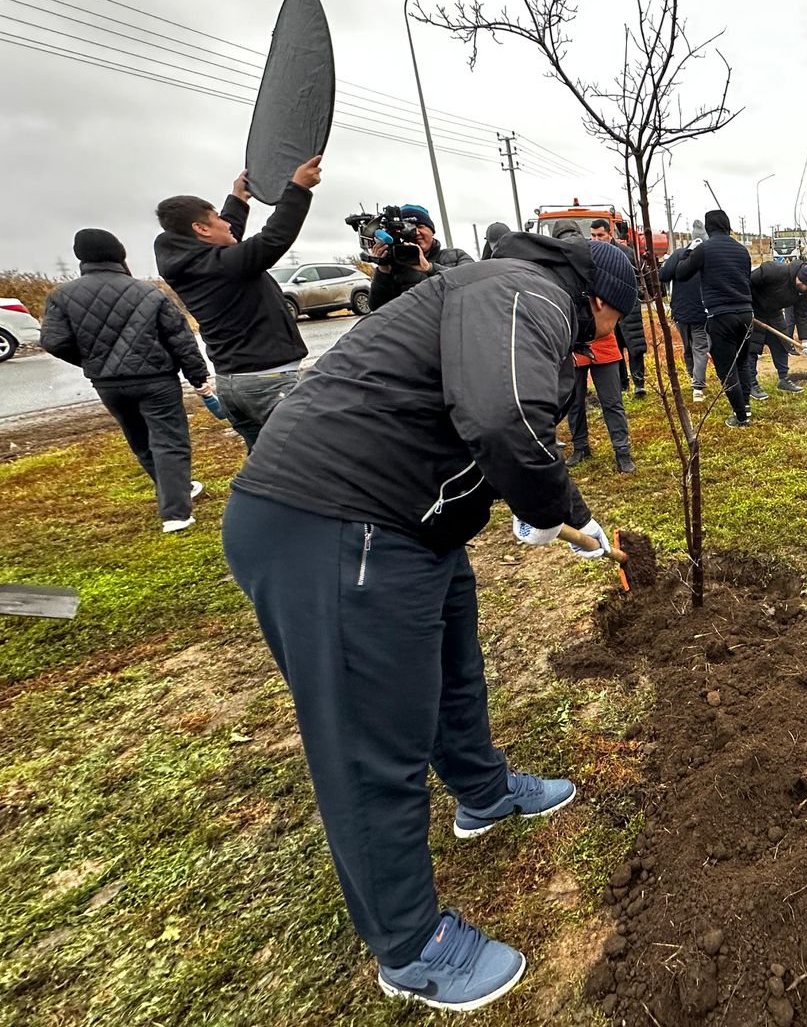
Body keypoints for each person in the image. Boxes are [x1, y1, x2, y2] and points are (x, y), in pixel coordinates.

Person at [222, 234, 638, 1012]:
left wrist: (562, 514)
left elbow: (503, 429)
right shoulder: (526, 290)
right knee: (371, 745)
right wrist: (548, 508)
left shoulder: (514, 295)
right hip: (334, 521)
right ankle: (411, 948)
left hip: (408, 525)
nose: (606, 339)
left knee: (453, 668)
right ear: (599, 294)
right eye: (613, 320)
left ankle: (483, 792)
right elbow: (502, 416)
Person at [40, 229, 212, 532]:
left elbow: (54, 341)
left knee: (140, 441)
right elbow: (180, 339)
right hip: (157, 379)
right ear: (120, 254)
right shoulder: (148, 292)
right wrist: (198, 377)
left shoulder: (61, 296)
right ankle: (176, 513)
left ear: (81, 256)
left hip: (108, 384)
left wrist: (91, 361)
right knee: (169, 442)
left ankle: (174, 492)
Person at [154, 155, 322, 451]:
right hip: (267, 385)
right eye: (217, 217)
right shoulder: (222, 265)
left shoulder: (193, 263)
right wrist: (298, 189)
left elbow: (227, 235)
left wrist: (238, 199)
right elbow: (273, 239)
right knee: (307, 460)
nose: (225, 222)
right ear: (201, 229)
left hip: (233, 385)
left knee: (266, 467)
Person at [671, 208, 754, 427]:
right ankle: (745, 406)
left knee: (726, 368)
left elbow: (681, 273)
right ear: (727, 226)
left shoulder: (704, 249)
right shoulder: (742, 250)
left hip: (721, 315)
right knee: (743, 362)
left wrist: (689, 252)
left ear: (708, 228)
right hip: (746, 313)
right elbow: (746, 278)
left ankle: (740, 417)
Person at [567, 253, 636, 474]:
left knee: (612, 401)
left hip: (604, 343)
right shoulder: (562, 276)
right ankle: (580, 447)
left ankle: (622, 451)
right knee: (574, 402)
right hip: (574, 345)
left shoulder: (600, 272)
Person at [370, 206, 474, 309]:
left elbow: (475, 285)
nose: (416, 232)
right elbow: (379, 309)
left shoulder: (456, 256)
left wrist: (430, 268)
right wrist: (383, 271)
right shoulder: (395, 267)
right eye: (408, 228)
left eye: (420, 226)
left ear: (432, 230)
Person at [745, 260, 807, 397]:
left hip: (774, 314)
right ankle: (751, 383)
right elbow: (746, 283)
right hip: (753, 312)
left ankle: (783, 379)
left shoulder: (803, 291)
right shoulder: (774, 271)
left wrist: (805, 339)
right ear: (800, 278)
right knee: (751, 348)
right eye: (806, 286)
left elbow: (801, 314)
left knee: (782, 343)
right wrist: (744, 307)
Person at [660, 225, 710, 402]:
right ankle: (697, 386)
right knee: (700, 348)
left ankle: (693, 378)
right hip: (702, 310)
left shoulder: (679, 254)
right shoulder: (708, 255)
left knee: (688, 347)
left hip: (680, 310)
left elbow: (663, 275)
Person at [602, 220, 649, 397]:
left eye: (601, 235)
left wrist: (642, 295)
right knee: (615, 348)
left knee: (634, 346)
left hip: (629, 307)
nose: (597, 239)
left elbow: (640, 277)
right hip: (608, 309)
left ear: (610, 233)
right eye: (594, 235)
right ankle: (622, 384)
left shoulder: (626, 253)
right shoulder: (591, 255)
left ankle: (639, 384)